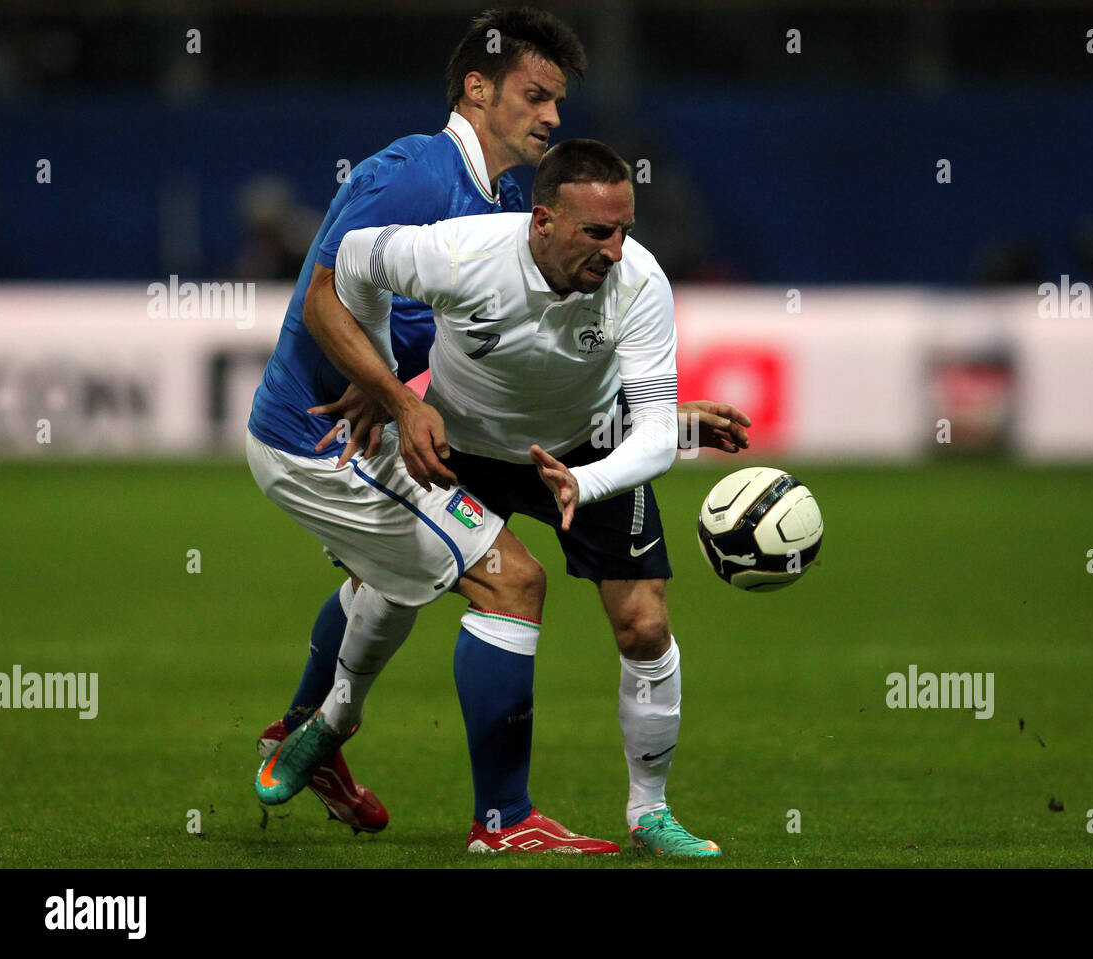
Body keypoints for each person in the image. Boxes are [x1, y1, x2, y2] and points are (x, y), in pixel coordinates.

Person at [248, 8, 748, 853]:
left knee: (399, 581)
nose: (553, 116)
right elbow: (325, 293)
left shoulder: (513, 203)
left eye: (559, 100)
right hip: (321, 436)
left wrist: (667, 419)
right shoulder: (416, 173)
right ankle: (502, 821)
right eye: (536, 94)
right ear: (478, 88)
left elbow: (514, 345)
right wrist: (388, 388)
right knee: (508, 581)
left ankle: (311, 734)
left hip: (471, 430)